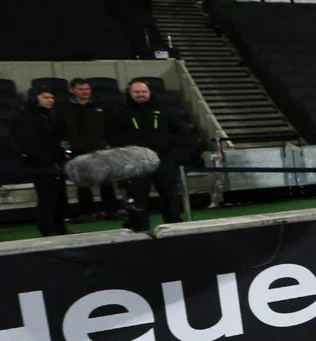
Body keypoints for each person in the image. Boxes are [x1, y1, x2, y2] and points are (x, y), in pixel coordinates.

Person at [110, 81, 194, 231]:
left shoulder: (167, 112)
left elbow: (183, 135)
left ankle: (174, 226)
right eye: (136, 92)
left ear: (150, 93)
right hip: (135, 164)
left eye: (144, 92)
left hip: (164, 161)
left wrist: (173, 156)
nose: (140, 95)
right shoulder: (120, 113)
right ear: (129, 93)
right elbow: (113, 137)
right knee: (137, 199)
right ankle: (139, 229)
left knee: (170, 196)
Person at [13, 87, 68, 236]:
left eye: (51, 97)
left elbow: (61, 138)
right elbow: (29, 144)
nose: (50, 100)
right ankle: (48, 229)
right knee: (47, 198)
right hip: (40, 164)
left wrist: (64, 154)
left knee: (60, 197)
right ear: (35, 98)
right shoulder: (25, 118)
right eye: (45, 97)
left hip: (56, 162)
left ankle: (60, 228)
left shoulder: (53, 115)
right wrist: (45, 160)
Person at [58, 78, 115, 218]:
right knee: (82, 183)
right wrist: (67, 150)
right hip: (77, 151)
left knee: (106, 182)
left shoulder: (100, 107)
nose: (85, 92)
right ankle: (86, 212)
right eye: (81, 89)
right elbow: (60, 132)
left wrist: (108, 144)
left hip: (100, 149)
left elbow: (110, 127)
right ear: (72, 90)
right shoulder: (63, 109)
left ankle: (112, 210)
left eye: (87, 89)